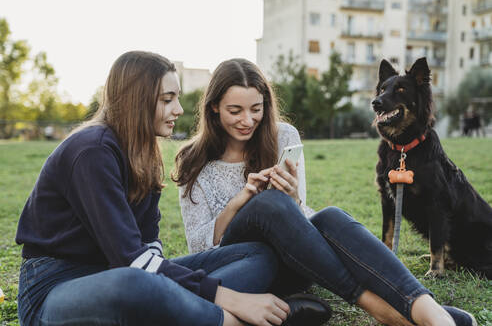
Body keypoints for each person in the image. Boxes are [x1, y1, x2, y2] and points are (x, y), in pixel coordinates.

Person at [14, 51, 331, 326]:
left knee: (257, 255)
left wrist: (183, 288)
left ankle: (181, 312)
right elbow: (130, 261)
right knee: (139, 282)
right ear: (135, 101)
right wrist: (230, 300)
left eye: (176, 98)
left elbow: (149, 245)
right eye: (168, 100)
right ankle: (233, 321)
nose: (179, 109)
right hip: (55, 290)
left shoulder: (145, 153)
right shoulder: (92, 151)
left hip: (119, 273)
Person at [173, 58, 478, 326]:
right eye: (235, 110)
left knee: (329, 216)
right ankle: (388, 312)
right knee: (267, 205)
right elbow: (199, 248)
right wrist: (242, 201)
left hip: (298, 261)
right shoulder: (193, 160)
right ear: (214, 107)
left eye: (256, 109)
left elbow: (300, 215)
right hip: (247, 266)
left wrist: (292, 197)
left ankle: (429, 311)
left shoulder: (283, 135)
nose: (247, 120)